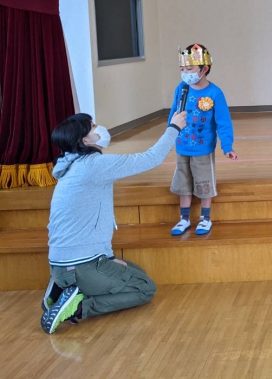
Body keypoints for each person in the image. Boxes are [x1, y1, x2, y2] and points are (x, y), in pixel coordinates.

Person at [41, 110, 187, 334]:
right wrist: (174, 128)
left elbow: (91, 222)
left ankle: (63, 288)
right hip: (80, 265)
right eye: (93, 127)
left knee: (136, 272)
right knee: (144, 288)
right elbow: (151, 159)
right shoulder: (94, 165)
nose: (99, 128)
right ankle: (78, 308)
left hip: (63, 263)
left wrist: (107, 257)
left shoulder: (71, 165)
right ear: (85, 141)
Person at [169, 44, 238, 236]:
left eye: (189, 69)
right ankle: (184, 219)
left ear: (204, 69)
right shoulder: (181, 88)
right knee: (183, 183)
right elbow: (173, 114)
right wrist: (169, 136)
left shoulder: (215, 93)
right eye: (182, 69)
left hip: (203, 149)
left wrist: (227, 146)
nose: (185, 74)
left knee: (204, 183)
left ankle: (205, 218)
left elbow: (223, 122)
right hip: (182, 147)